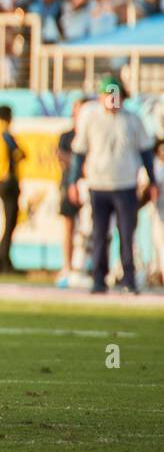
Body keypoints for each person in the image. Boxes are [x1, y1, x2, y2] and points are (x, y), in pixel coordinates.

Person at [70, 76, 157, 294]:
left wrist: (152, 181)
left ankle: (128, 279)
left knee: (127, 234)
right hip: (98, 184)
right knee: (99, 234)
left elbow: (146, 152)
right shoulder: (91, 117)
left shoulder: (132, 120)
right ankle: (99, 279)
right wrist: (73, 181)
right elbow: (79, 151)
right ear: (101, 96)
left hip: (126, 184)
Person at [56, 98, 89, 287]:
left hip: (90, 185)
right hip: (70, 184)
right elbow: (61, 157)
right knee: (68, 226)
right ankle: (67, 267)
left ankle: (84, 267)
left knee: (89, 228)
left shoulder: (92, 133)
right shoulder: (67, 136)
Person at [0, 105, 25, 274]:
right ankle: (2, 261)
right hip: (8, 180)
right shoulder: (5, 134)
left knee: (8, 221)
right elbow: (19, 153)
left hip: (0, 180)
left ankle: (1, 259)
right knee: (10, 221)